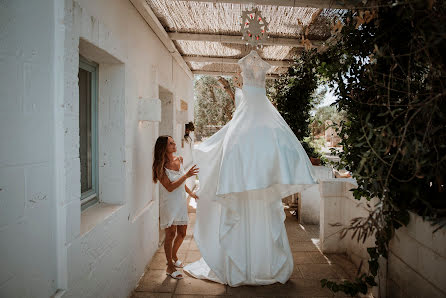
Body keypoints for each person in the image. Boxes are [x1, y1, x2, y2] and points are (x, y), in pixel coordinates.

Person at [184, 50, 319, 286]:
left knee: (249, 207)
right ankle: (262, 265)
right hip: (254, 176)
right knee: (261, 210)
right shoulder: (264, 128)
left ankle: (244, 268)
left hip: (247, 173)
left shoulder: (241, 130)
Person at [152, 135, 199, 279]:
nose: (174, 145)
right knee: (170, 234)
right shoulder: (159, 166)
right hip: (169, 204)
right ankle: (170, 267)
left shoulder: (180, 159)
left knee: (183, 232)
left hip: (180, 203)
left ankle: (174, 255)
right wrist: (187, 175)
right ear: (163, 148)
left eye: (173, 142)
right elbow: (170, 187)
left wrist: (191, 193)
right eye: (171, 143)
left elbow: (180, 182)